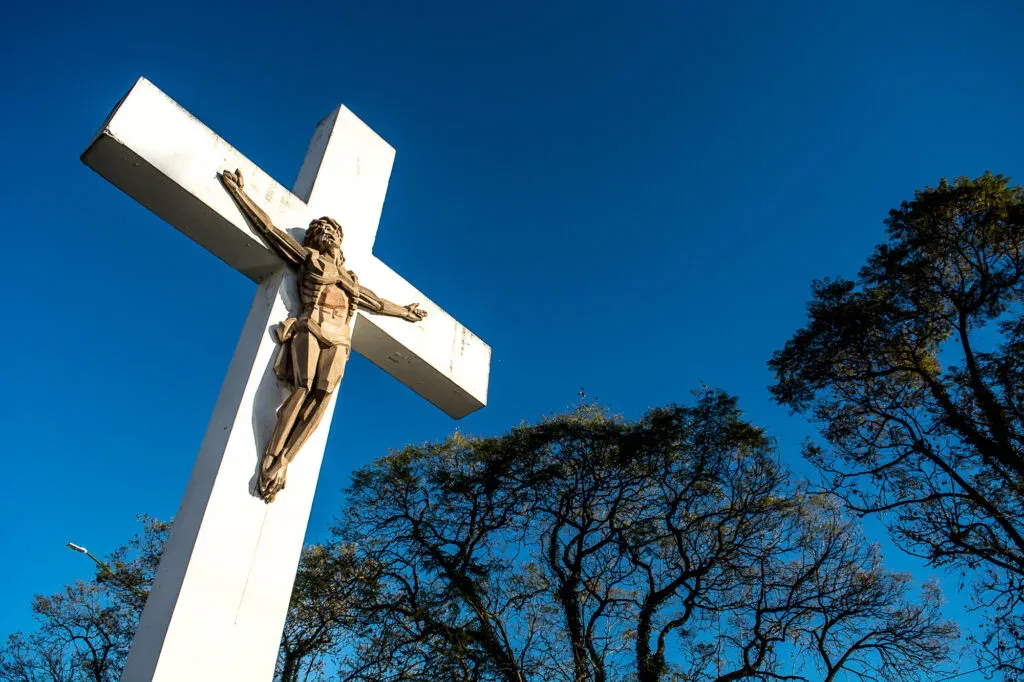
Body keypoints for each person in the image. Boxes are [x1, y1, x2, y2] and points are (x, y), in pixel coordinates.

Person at [219, 169, 427, 502]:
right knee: (302, 388)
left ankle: (286, 458)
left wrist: (406, 311)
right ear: (314, 238)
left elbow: (376, 303)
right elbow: (269, 230)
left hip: (340, 339)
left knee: (321, 398)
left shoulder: (351, 280)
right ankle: (271, 457)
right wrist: (239, 193)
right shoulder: (309, 259)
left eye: (331, 229)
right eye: (321, 229)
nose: (327, 232)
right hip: (311, 327)